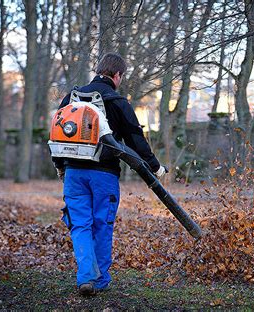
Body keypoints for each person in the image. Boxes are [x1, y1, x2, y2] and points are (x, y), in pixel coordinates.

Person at [52, 52, 167, 296]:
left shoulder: (71, 99)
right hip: (103, 175)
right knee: (102, 225)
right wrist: (156, 167)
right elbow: (136, 140)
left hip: (73, 173)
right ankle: (100, 280)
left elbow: (56, 133)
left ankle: (85, 277)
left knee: (80, 225)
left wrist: (61, 166)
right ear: (117, 75)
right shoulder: (117, 101)